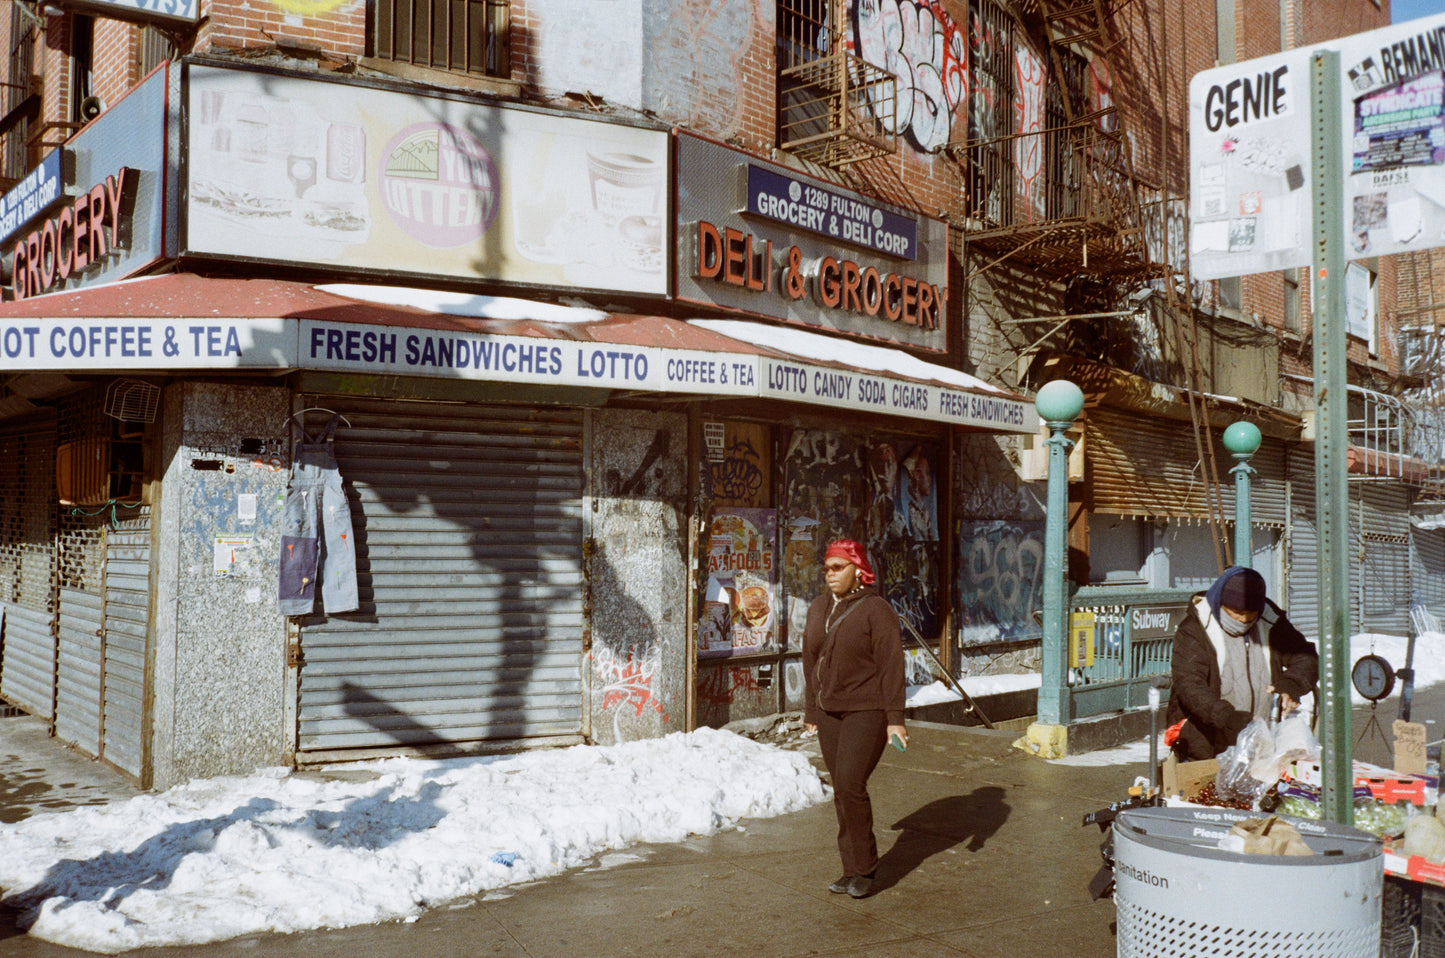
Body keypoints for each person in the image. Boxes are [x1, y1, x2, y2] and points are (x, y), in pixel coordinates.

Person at [802, 539, 906, 899]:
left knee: (850, 782)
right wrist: (811, 709)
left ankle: (866, 868)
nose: (829, 575)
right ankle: (850, 869)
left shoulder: (876, 610)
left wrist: (895, 718)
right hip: (829, 710)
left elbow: (892, 665)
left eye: (838, 567)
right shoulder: (818, 608)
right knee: (840, 792)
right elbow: (810, 660)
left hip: (868, 709)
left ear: (858, 570)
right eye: (826, 568)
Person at [1165, 565, 1318, 761]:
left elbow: (1306, 656)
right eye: (1236, 612)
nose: (1244, 619)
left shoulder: (1270, 622)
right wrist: (1227, 717)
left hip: (1263, 742)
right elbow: (1189, 685)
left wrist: (1291, 685)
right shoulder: (1195, 629)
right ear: (1219, 602)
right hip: (1207, 744)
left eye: (1251, 613)